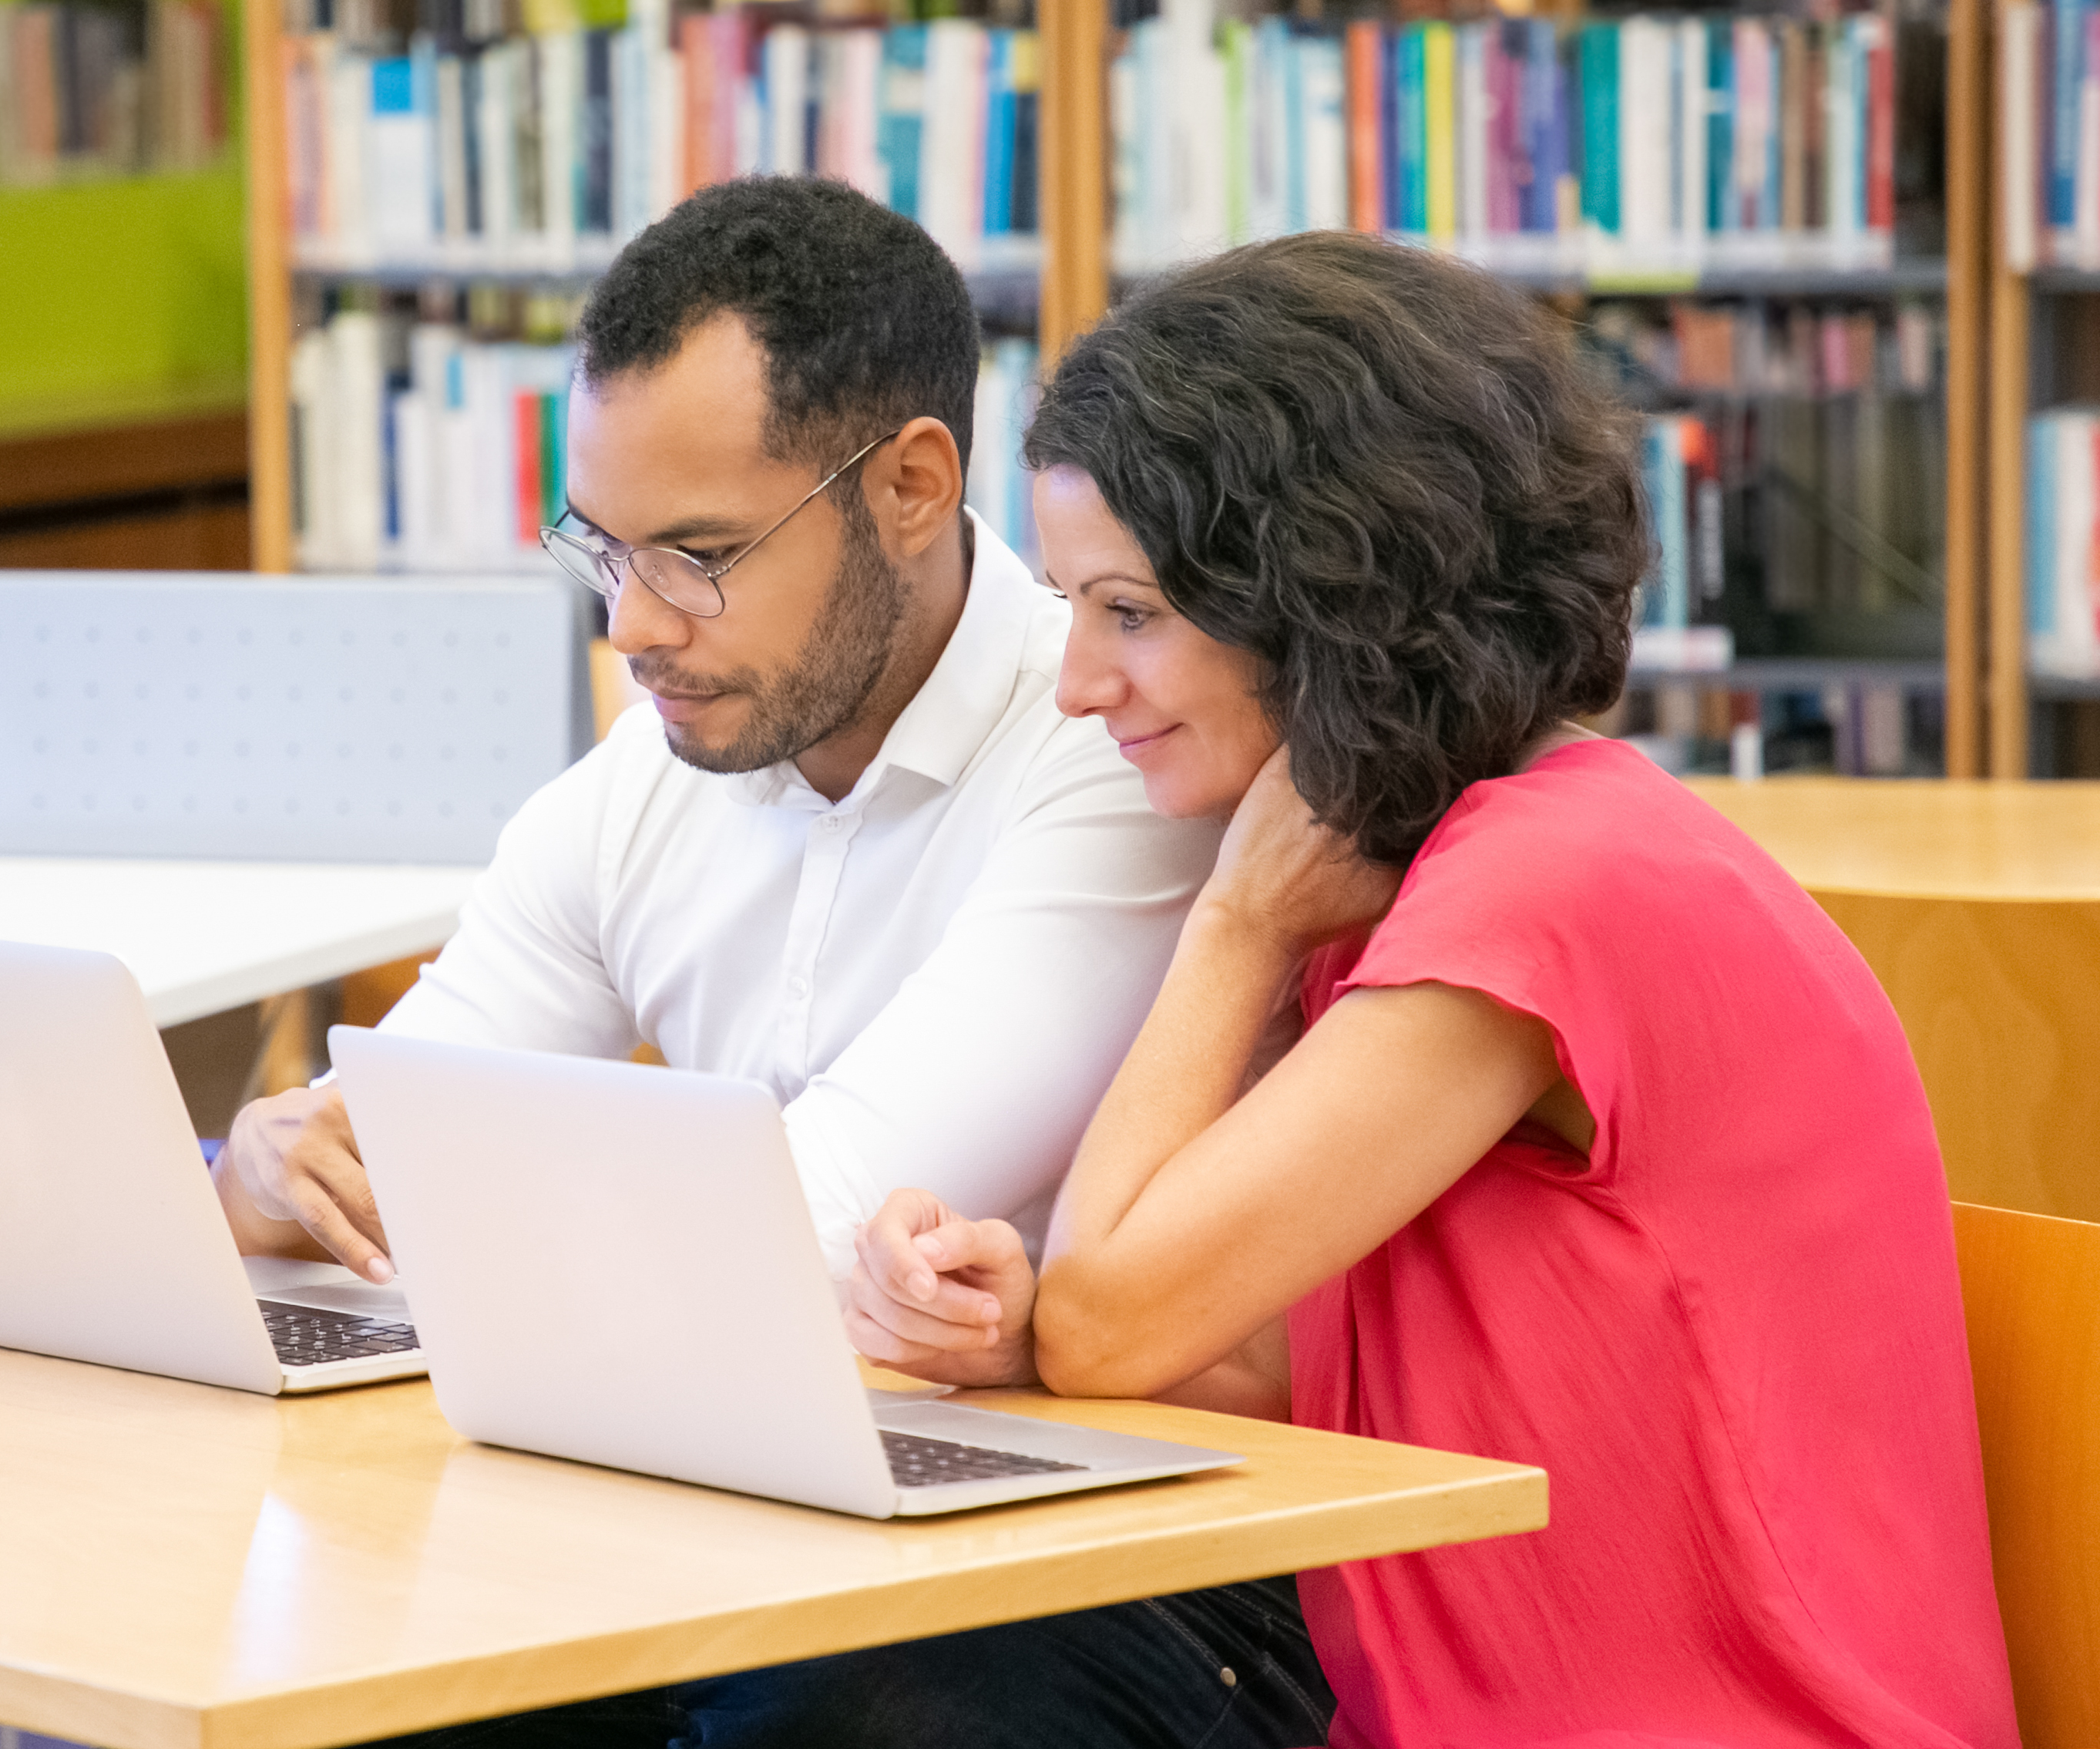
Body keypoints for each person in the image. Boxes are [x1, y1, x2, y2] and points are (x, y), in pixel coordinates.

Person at [836, 232, 2020, 1747]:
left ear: (1323, 593)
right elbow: (1276, 1360)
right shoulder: (1429, 867)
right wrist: (1005, 1330)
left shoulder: (1548, 882)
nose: (1074, 683)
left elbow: (1111, 1326)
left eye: (1126, 612)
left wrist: (1232, 929)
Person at [214, 175, 1218, 1283]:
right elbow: (358, 1165)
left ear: (912, 487)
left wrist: (472, 1195)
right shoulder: (649, 772)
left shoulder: (1115, 750)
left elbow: (815, 1227)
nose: (630, 627)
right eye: (601, 550)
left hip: (1057, 1440)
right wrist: (270, 1172)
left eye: (695, 560)